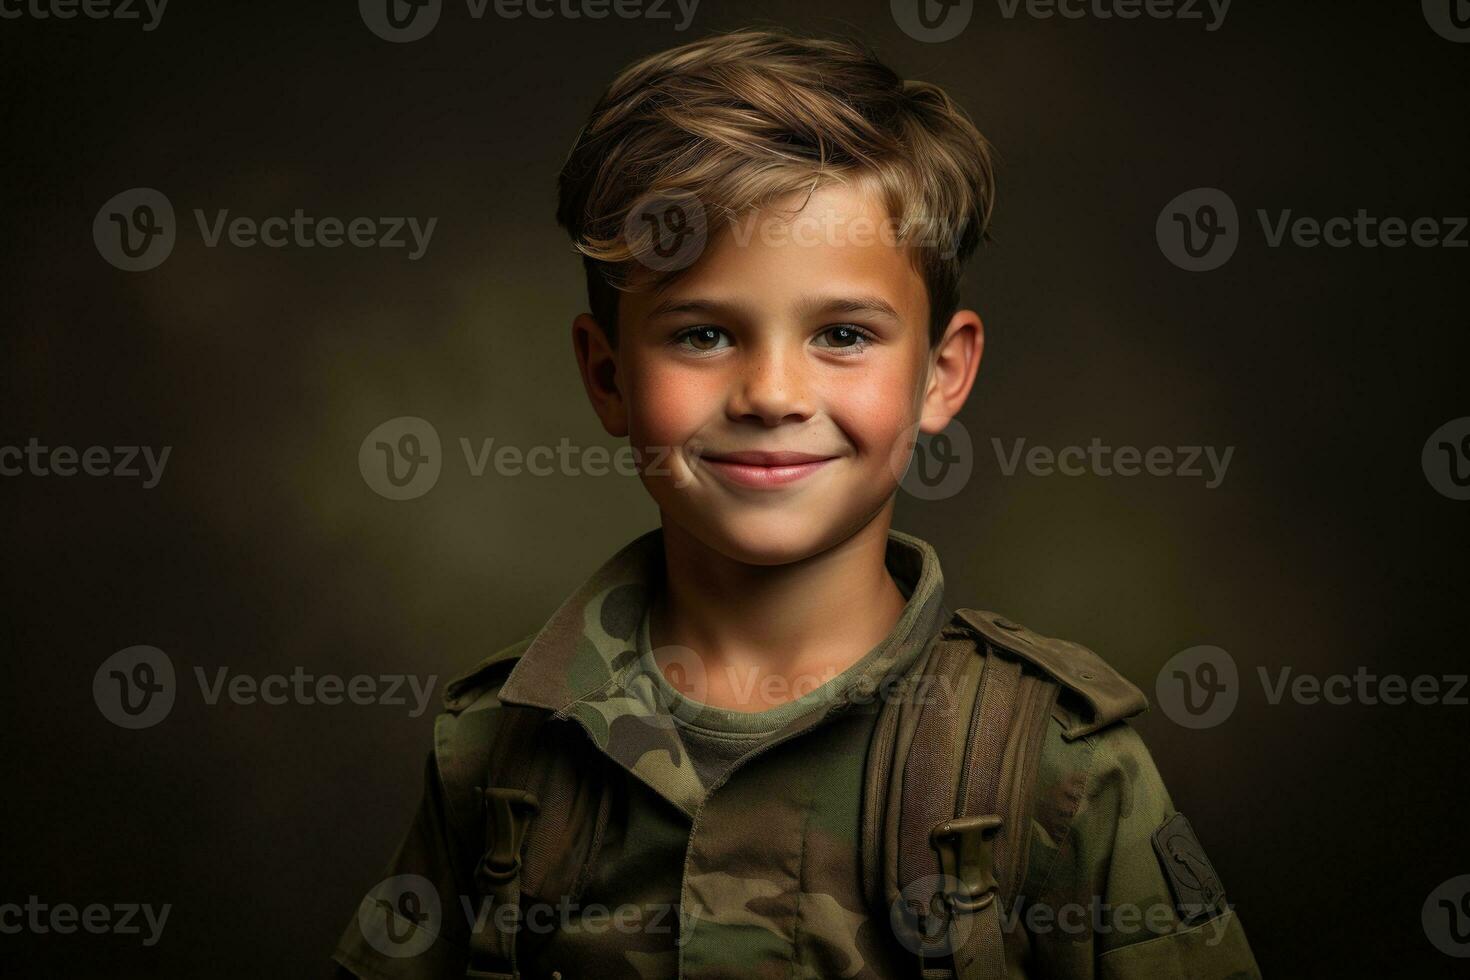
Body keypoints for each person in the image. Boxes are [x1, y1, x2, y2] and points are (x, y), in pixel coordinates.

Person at [333, 27, 1260, 979]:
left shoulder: (1055, 770)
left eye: (845, 334)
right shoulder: (501, 752)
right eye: (701, 335)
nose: (772, 394)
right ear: (606, 376)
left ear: (941, 374)